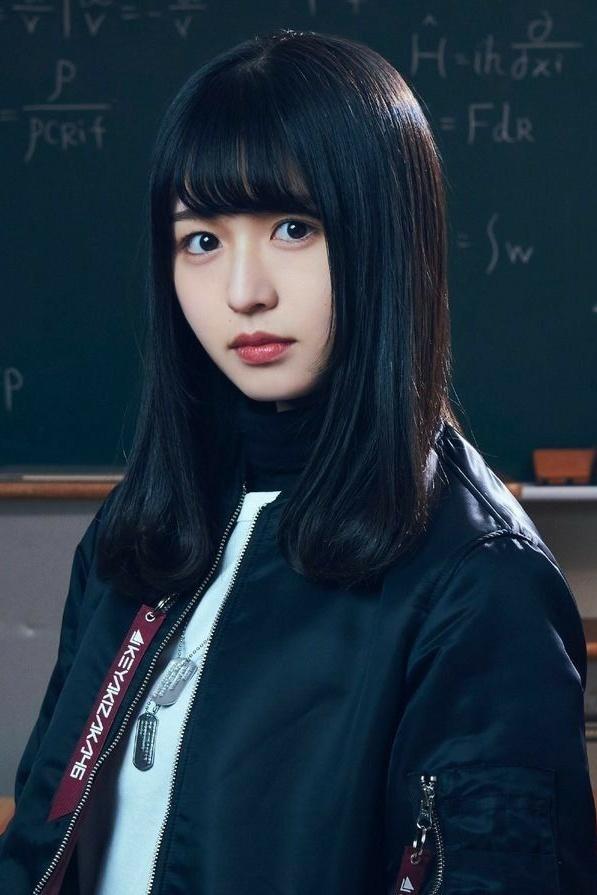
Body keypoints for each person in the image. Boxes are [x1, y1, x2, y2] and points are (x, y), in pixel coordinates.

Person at [1, 27, 596, 895]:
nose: (244, 291)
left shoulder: (476, 580)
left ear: (386, 239)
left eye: (292, 227)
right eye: (201, 240)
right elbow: (39, 837)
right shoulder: (140, 531)